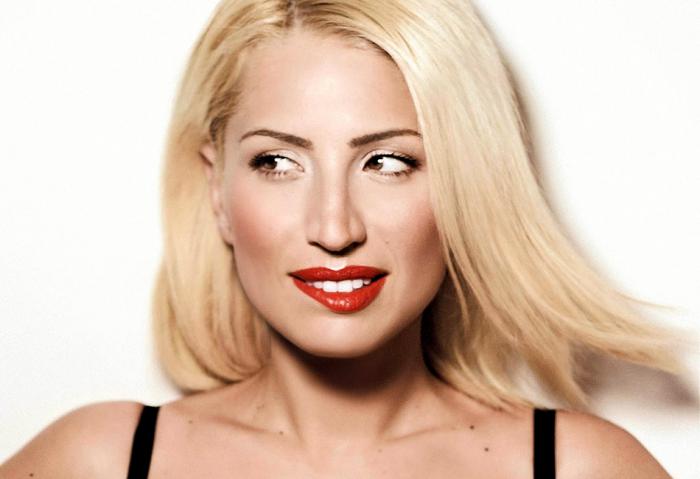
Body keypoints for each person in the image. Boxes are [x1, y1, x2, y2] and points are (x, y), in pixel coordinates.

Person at [0, 0, 682, 477]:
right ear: (217, 191)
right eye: (277, 162)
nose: (334, 229)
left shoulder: (584, 468)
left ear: (465, 185)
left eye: (388, 162)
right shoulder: (99, 461)